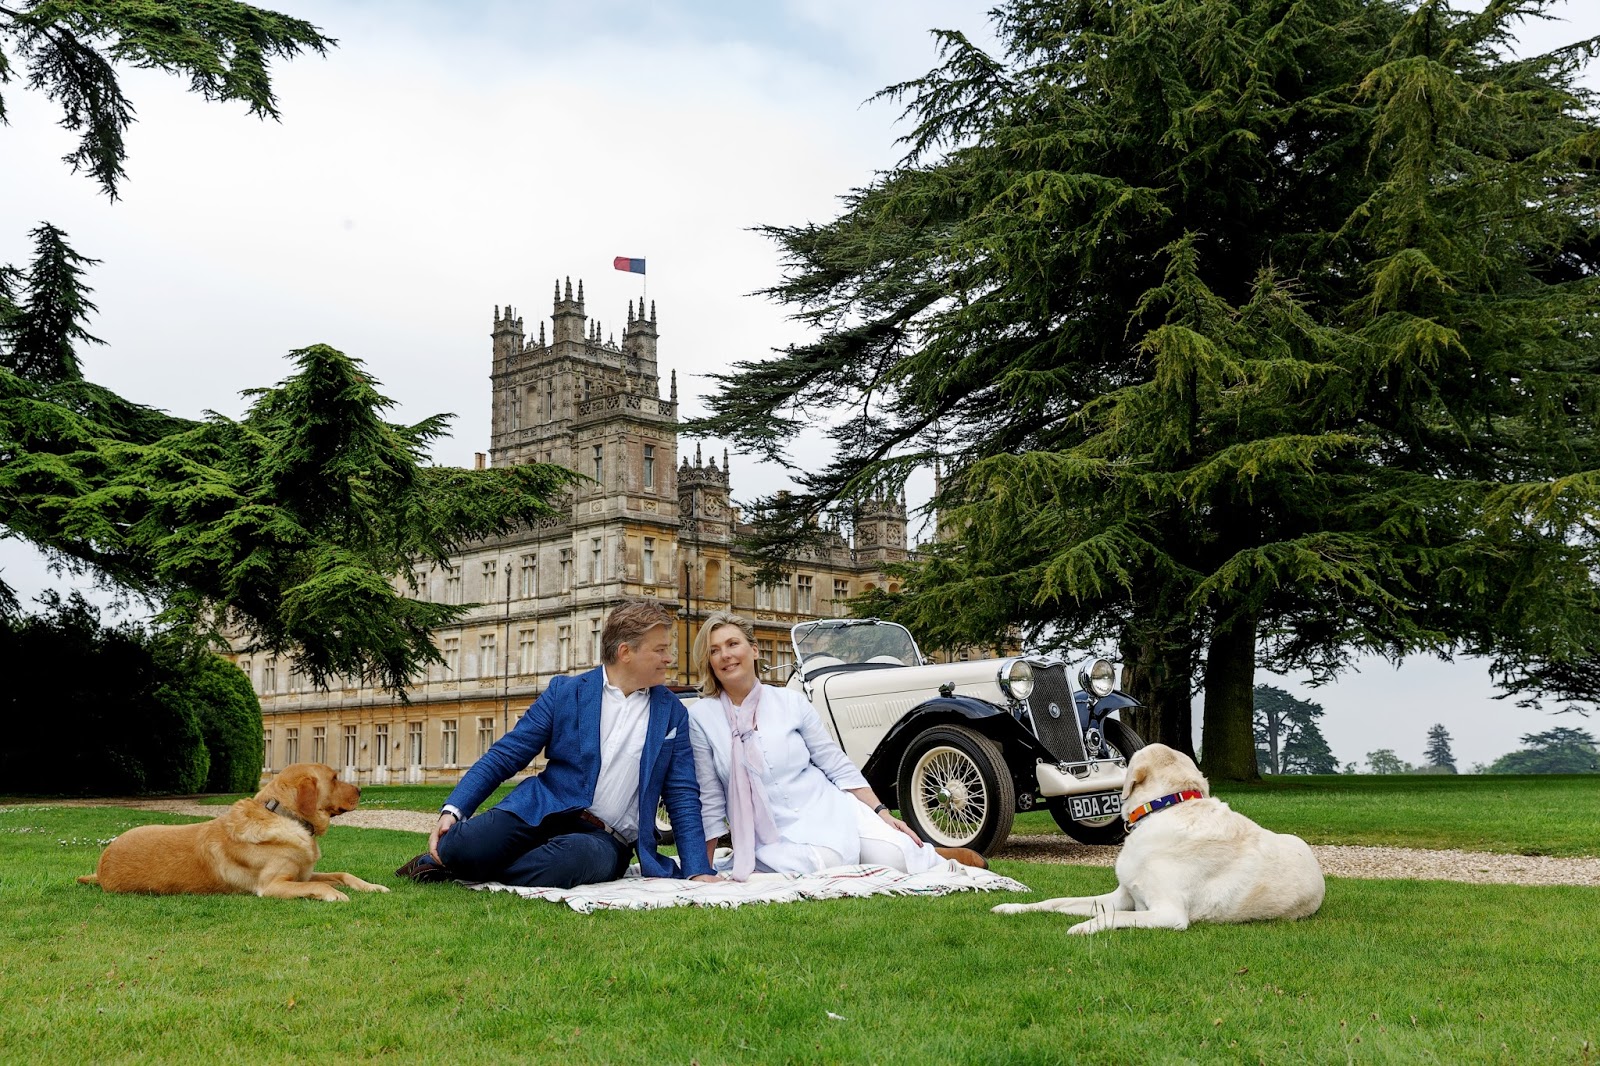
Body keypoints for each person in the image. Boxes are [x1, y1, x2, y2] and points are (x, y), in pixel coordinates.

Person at [396, 600, 718, 888]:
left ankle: (461, 870)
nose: (669, 658)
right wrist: (454, 809)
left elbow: (682, 795)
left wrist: (696, 869)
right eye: (660, 649)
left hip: (605, 840)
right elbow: (507, 754)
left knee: (565, 863)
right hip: (541, 808)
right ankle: (459, 859)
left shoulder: (672, 713)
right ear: (625, 652)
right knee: (458, 845)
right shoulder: (565, 693)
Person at [686, 610, 986, 879]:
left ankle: (932, 855)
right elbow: (710, 797)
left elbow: (834, 762)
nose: (725, 655)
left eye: (732, 644)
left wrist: (881, 812)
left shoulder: (791, 702)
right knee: (823, 862)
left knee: (892, 858)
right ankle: (871, 854)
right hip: (773, 832)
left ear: (753, 651)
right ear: (709, 662)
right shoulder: (701, 717)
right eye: (714, 650)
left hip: (828, 808)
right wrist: (705, 868)